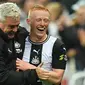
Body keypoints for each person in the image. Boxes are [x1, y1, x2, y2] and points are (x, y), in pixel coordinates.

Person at [16, 5, 67, 85]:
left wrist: (30, 68)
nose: (42, 24)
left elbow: (57, 78)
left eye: (46, 20)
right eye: (38, 20)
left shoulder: (57, 45)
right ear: (28, 21)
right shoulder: (20, 42)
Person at [0, 2, 40, 85]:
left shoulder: (21, 33)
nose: (15, 30)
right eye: (11, 26)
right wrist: (34, 73)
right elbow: (2, 77)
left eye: (17, 25)